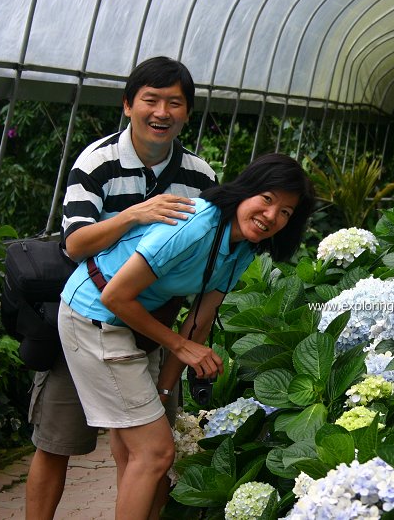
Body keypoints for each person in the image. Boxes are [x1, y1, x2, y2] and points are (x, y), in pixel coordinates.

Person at [57, 154, 316, 519]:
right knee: (155, 452)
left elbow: (200, 318)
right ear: (245, 190)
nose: (272, 216)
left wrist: (164, 389)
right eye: (268, 199)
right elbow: (113, 296)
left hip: (137, 323)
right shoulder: (194, 223)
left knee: (135, 450)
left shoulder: (243, 246)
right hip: (93, 315)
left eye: (286, 212)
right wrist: (180, 346)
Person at [25, 56, 217, 520]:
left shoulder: (200, 177)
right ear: (128, 104)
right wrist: (136, 213)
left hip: (150, 322)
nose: (162, 112)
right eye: (150, 100)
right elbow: (74, 243)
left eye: (175, 103)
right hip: (87, 316)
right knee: (58, 441)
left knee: (141, 450)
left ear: (187, 113)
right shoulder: (98, 161)